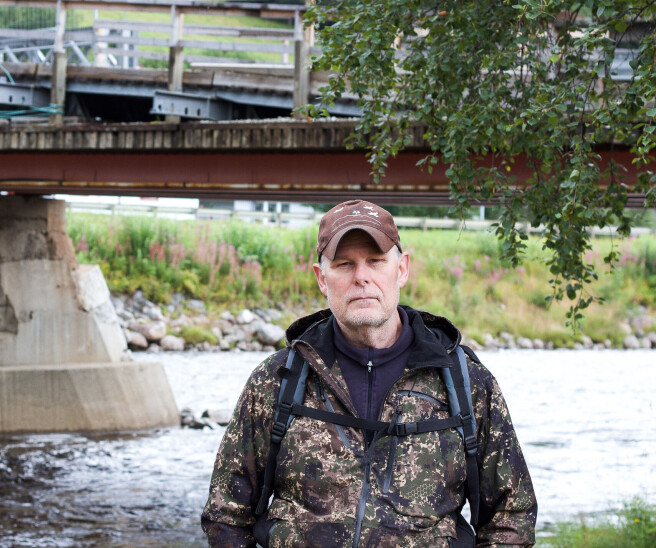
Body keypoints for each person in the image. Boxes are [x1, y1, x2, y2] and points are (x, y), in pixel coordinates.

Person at [201, 200, 537, 547]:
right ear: (321, 278)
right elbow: (226, 514)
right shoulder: (276, 380)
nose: (361, 276)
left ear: (402, 269)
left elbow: (512, 516)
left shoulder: (467, 384)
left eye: (375, 261)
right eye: (344, 264)